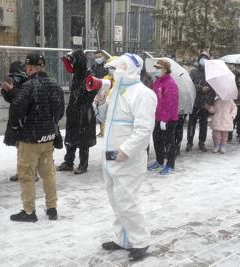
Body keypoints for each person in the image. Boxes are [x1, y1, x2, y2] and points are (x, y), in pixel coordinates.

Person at [94, 53, 157, 261]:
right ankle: (121, 238)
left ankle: (140, 242)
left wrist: (126, 150)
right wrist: (101, 102)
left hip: (128, 159)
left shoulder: (143, 94)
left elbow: (144, 130)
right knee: (116, 201)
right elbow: (104, 119)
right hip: (110, 157)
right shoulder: (116, 91)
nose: (113, 70)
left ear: (131, 69)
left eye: (119, 66)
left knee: (128, 201)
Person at [9, 52, 64, 222]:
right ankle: (52, 208)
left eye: (26, 67)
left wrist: (17, 126)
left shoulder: (29, 86)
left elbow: (16, 111)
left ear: (30, 67)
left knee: (26, 175)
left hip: (29, 140)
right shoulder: (55, 85)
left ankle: (29, 212)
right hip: (48, 138)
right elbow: (60, 113)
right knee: (49, 174)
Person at [57, 50, 97, 174]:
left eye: (73, 61)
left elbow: (93, 91)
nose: (72, 64)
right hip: (73, 109)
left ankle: (83, 164)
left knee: (83, 139)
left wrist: (84, 102)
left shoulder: (89, 74)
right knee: (71, 137)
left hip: (84, 111)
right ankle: (68, 162)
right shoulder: (76, 74)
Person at [0, 61, 31, 182]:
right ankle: (21, 171)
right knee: (20, 148)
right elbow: (13, 100)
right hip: (17, 119)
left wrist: (12, 91)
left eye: (16, 75)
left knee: (28, 149)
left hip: (26, 121)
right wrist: (5, 91)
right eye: (13, 76)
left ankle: (31, 173)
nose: (15, 78)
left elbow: (23, 99)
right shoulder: (18, 83)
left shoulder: (29, 83)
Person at [148, 59, 179, 175]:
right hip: (157, 117)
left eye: (158, 68)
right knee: (157, 140)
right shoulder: (157, 82)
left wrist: (165, 119)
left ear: (165, 69)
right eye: (155, 68)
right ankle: (159, 161)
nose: (156, 70)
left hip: (168, 119)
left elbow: (171, 103)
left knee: (169, 142)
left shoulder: (170, 83)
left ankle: (170, 165)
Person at [186, 52, 216, 152]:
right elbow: (190, 85)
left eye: (205, 58)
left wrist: (210, 103)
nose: (203, 60)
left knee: (203, 125)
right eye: (201, 58)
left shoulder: (210, 74)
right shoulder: (193, 72)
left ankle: (201, 142)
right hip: (194, 102)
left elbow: (214, 89)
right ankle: (189, 142)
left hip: (205, 104)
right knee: (191, 124)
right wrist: (200, 88)